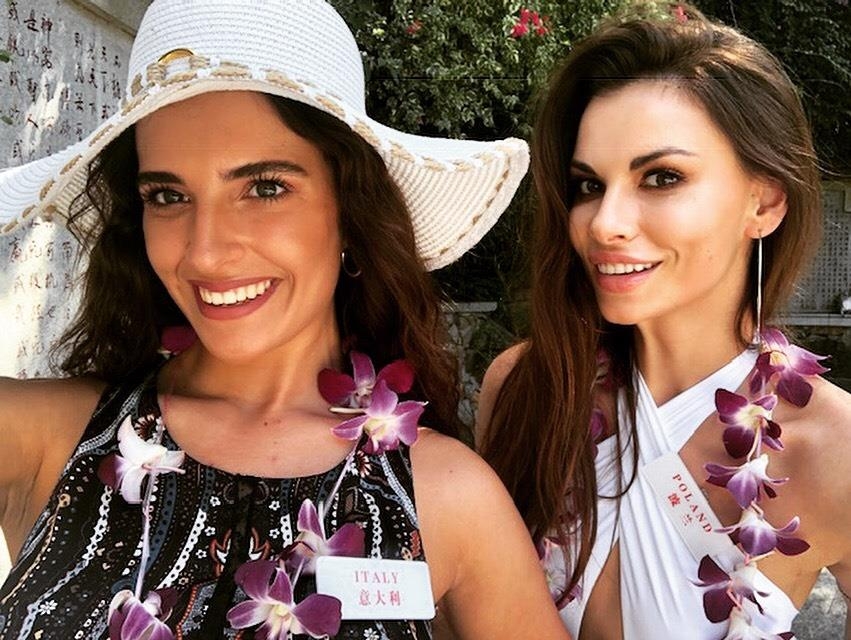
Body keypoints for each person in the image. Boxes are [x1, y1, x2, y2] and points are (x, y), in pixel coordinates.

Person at [0, 1, 570, 638]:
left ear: (350, 210)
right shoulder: (40, 439)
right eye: (168, 195)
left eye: (265, 187)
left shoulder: (451, 498)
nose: (204, 253)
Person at [478, 3, 851, 638]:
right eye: (588, 185)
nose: (604, 224)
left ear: (763, 202)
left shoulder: (833, 449)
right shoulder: (527, 387)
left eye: (661, 177)